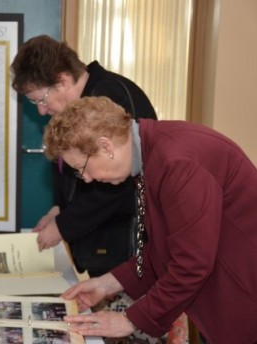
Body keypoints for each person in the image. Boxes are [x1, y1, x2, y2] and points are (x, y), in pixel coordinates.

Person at [42, 96, 257, 343]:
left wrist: (129, 320)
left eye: (83, 168)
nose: (87, 178)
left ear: (106, 147)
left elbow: (191, 264)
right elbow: (164, 247)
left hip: (246, 297)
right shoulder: (149, 155)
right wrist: (108, 283)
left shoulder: (177, 162)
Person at [10, 35, 157, 277]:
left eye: (41, 100)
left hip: (121, 243)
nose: (41, 110)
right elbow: (67, 167)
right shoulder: (77, 105)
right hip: (97, 240)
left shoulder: (107, 97)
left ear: (63, 80)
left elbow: (114, 181)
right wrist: (59, 208)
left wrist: (64, 226)